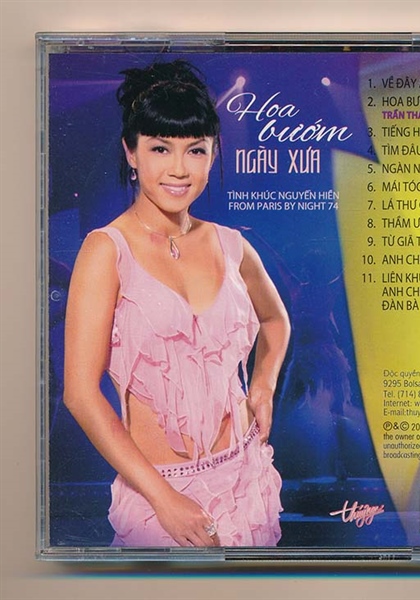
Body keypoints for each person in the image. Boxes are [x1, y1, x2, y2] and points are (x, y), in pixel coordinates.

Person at [63, 60, 290, 548]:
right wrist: (164, 499)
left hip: (246, 477)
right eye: (160, 148)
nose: (179, 169)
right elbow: (80, 394)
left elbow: (275, 320)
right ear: (131, 152)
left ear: (213, 154)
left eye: (196, 150)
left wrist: (264, 386)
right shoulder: (106, 250)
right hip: (160, 494)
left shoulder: (231, 244)